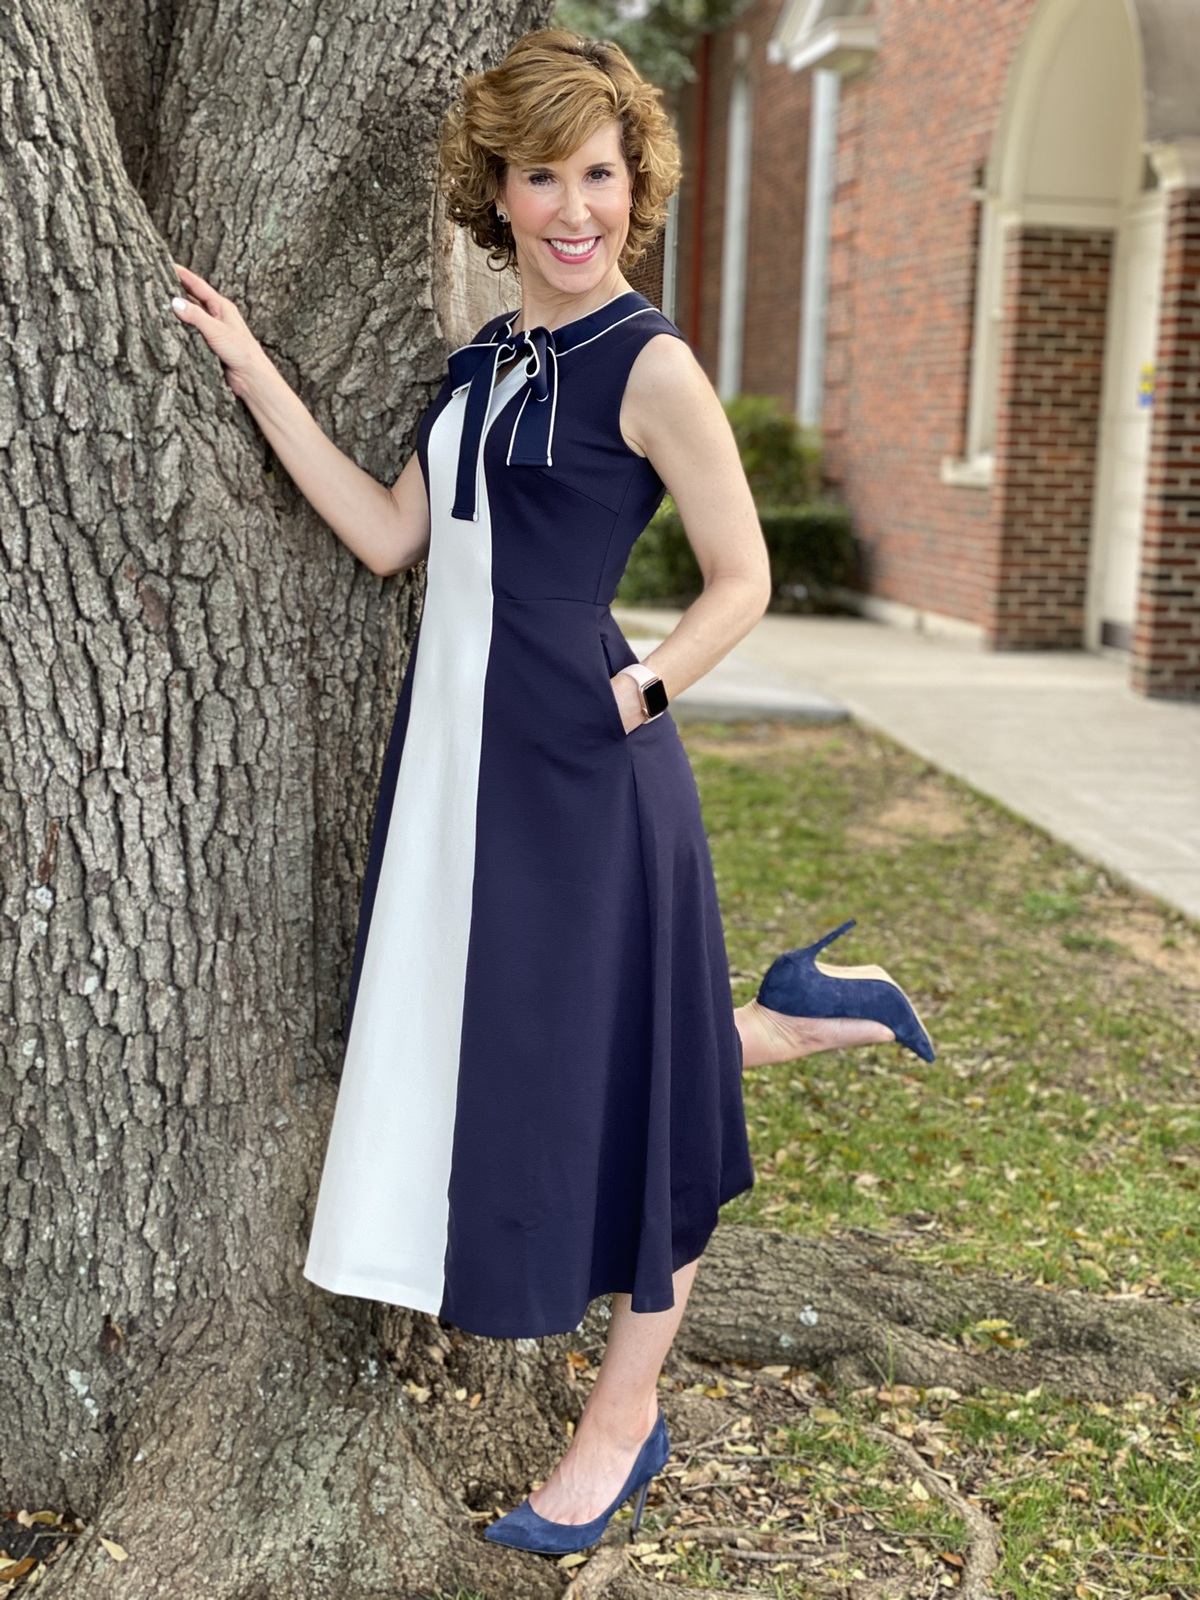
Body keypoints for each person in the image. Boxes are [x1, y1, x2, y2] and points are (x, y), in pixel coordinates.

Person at [170, 25, 934, 1559]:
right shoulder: (481, 366)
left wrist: (636, 693)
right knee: (536, 1043)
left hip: (585, 771)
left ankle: (617, 1424)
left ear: (631, 185)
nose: (576, 207)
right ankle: (786, 1011)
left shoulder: (648, 360)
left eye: (601, 173)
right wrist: (250, 365)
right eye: (544, 176)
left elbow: (743, 576)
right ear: (498, 192)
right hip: (462, 774)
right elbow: (392, 536)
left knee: (616, 1082)